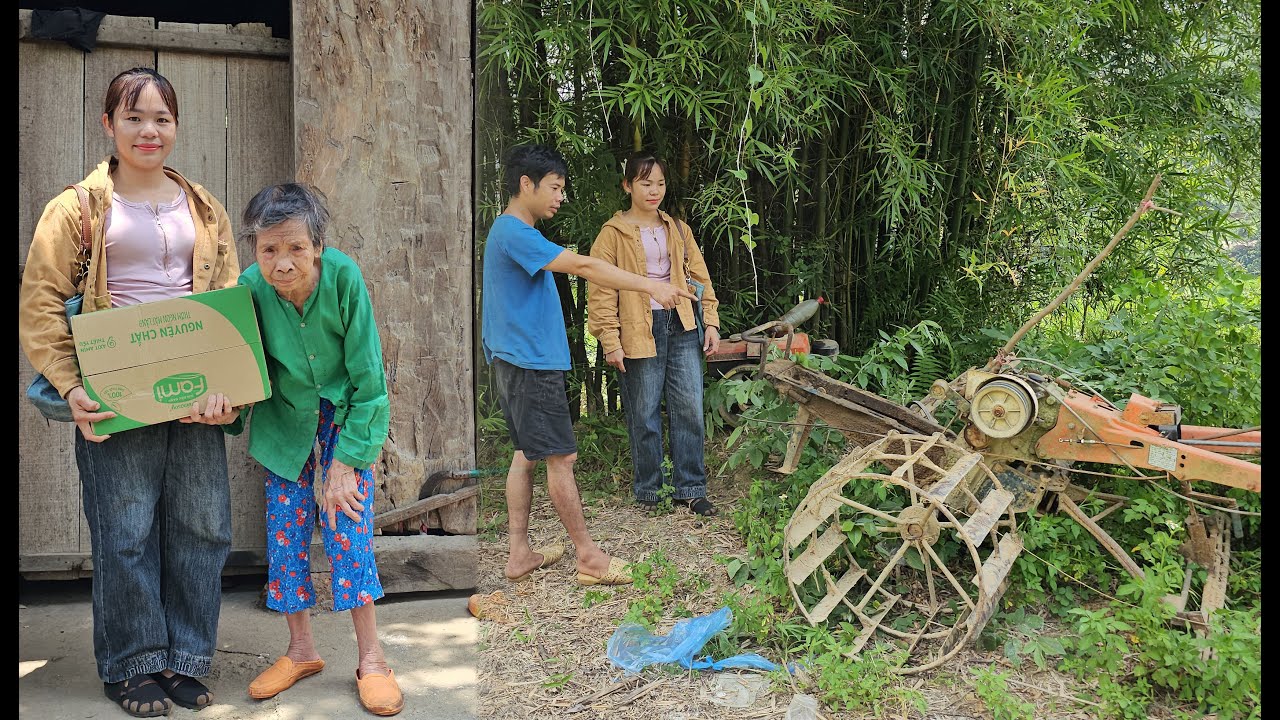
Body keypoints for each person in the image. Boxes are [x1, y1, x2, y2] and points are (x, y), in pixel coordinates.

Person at [18, 66, 241, 717]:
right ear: (108, 124)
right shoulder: (78, 208)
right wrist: (68, 384)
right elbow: (39, 304)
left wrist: (227, 387)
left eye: (162, 118)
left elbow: (230, 299)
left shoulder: (202, 206)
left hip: (195, 393)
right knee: (125, 533)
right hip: (117, 391)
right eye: (134, 116)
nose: (150, 130)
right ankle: (133, 663)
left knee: (202, 527)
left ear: (176, 126)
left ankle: (186, 658)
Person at [481, 144, 699, 586]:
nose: (561, 198)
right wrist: (650, 286)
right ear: (527, 185)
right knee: (562, 458)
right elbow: (583, 266)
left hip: (519, 360)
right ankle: (589, 558)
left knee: (526, 455)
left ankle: (519, 553)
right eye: (555, 188)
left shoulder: (516, 233)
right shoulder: (513, 232)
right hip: (529, 364)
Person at [233, 183, 402, 717]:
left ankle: (371, 659)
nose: (281, 264)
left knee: (347, 530)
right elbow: (241, 374)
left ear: (318, 246)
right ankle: (301, 651)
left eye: (294, 249)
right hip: (286, 421)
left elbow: (369, 383)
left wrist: (345, 464)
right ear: (254, 250)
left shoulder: (345, 279)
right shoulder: (248, 289)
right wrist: (222, 406)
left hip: (344, 420)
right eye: (268, 250)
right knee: (285, 536)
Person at [587, 153, 721, 516]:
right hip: (638, 328)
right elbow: (600, 291)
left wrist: (710, 320)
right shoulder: (611, 235)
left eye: (660, 183)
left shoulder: (678, 228)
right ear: (627, 185)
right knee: (643, 412)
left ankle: (690, 489)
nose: (654, 191)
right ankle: (649, 491)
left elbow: (701, 278)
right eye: (646, 183)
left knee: (689, 408)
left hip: (681, 323)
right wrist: (610, 341)